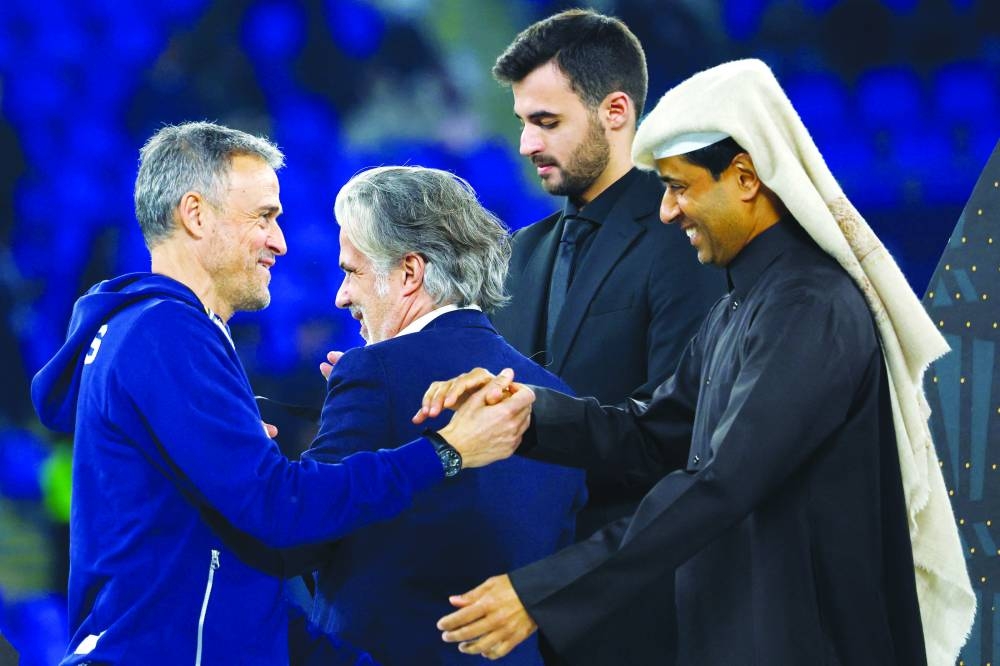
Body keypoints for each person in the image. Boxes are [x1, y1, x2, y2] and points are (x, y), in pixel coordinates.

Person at [418, 60, 975, 664]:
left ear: (744, 177)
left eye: (679, 187)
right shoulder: (743, 306)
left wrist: (543, 592)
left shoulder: (809, 306)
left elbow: (721, 481)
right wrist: (531, 414)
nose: (666, 211)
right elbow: (656, 438)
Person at [30, 122, 531, 666]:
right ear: (195, 215)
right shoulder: (164, 333)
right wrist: (446, 450)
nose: (280, 241)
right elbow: (281, 506)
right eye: (264, 216)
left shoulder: (163, 335)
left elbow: (232, 577)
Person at [490, 11, 723, 662]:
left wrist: (532, 418)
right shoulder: (520, 252)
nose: (526, 145)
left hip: (639, 612)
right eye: (521, 123)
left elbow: (682, 437)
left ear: (616, 111)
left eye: (546, 122)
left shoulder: (687, 239)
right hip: (526, 609)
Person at [297, 166, 586, 665]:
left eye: (351, 271)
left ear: (410, 272)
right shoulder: (558, 398)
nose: (341, 296)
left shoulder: (373, 372)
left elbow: (304, 526)